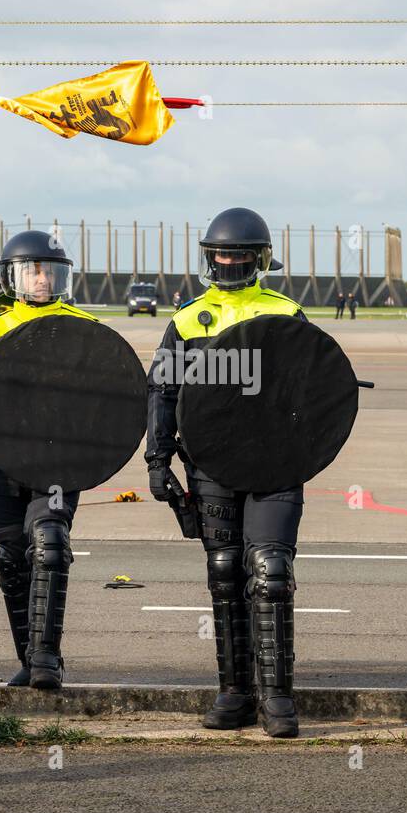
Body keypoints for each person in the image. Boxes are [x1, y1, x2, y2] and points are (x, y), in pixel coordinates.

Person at [146, 207, 306, 738]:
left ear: (260, 259)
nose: (230, 259)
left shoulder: (286, 312)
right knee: (224, 575)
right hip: (210, 466)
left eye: (240, 252)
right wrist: (156, 459)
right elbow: (163, 392)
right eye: (221, 252)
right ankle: (235, 692)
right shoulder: (188, 319)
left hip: (274, 467)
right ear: (208, 258)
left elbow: (315, 391)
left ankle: (277, 697)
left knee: (271, 571)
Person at [0, 230, 97, 689]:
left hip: (56, 466)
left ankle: (48, 660)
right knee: (12, 557)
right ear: (12, 277)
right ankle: (29, 660)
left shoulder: (82, 328)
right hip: (1, 463)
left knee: (49, 544)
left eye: (48, 270)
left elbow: (106, 399)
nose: (40, 279)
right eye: (31, 270)